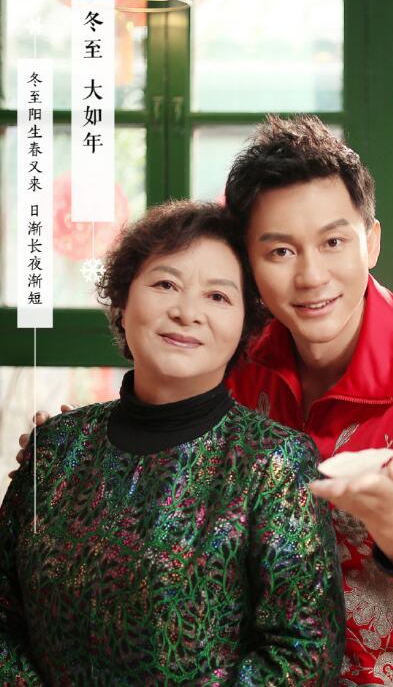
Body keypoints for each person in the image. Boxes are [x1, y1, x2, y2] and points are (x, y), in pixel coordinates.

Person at [15, 117, 393, 685]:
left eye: (334, 242)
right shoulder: (237, 352)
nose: (311, 276)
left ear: (371, 243)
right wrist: (80, 458)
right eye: (281, 251)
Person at [0, 201, 345, 685]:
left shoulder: (274, 462)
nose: (186, 312)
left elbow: (304, 656)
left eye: (218, 296)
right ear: (123, 303)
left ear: (246, 327)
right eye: (165, 284)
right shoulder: (56, 446)